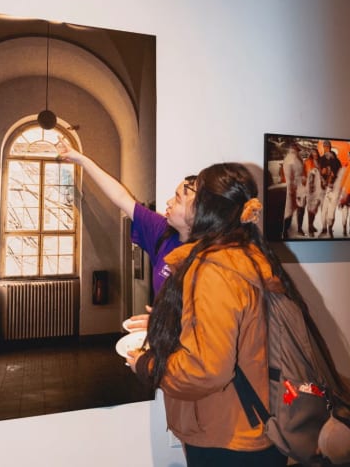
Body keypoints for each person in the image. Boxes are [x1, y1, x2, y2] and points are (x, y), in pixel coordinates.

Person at [129, 162, 292, 466]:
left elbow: (205, 369)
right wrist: (164, 322)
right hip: (247, 427)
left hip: (227, 437)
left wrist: (148, 364)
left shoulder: (214, 269)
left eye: (194, 194)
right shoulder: (243, 255)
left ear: (207, 208)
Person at [56, 141, 196, 330]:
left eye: (178, 199)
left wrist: (168, 324)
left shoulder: (212, 258)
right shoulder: (163, 232)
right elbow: (122, 197)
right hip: (161, 346)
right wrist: (81, 160)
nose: (169, 202)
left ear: (199, 212)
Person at [281, 143, 303, 238]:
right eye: (295, 148)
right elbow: (289, 176)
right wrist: (290, 189)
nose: (297, 150)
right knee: (289, 210)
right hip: (292, 188)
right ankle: (285, 231)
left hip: (299, 187)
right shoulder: (290, 159)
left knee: (300, 208)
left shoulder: (298, 158)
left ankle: (299, 228)